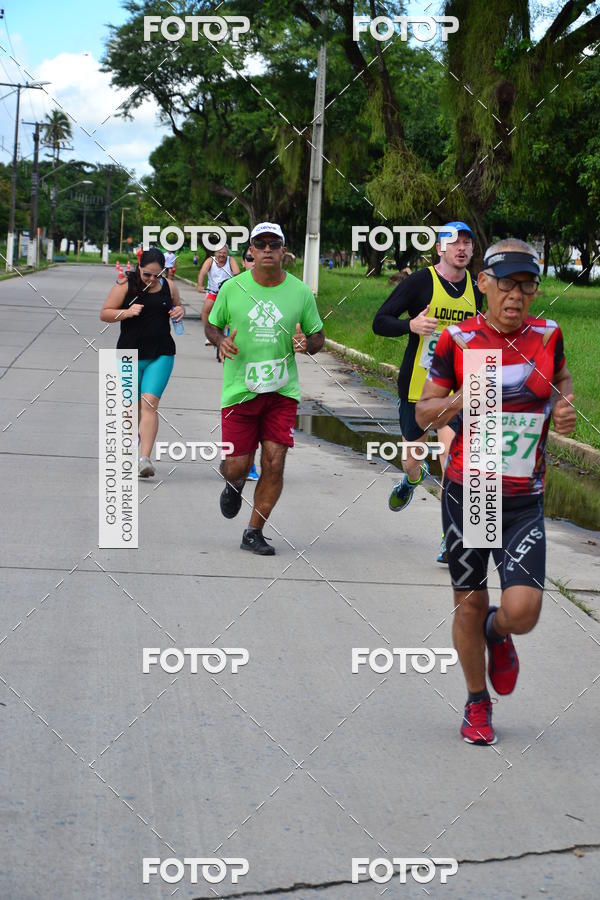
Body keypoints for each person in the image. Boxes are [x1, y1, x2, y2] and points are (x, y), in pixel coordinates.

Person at [416, 238, 577, 745]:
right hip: (471, 492)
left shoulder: (548, 335)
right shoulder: (456, 340)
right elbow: (423, 413)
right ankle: (476, 702)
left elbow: (562, 383)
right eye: (506, 285)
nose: (516, 297)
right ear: (483, 283)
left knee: (523, 611)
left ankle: (498, 633)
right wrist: (457, 401)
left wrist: (565, 408)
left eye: (527, 287)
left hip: (525, 497)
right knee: (468, 601)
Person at [205, 222, 325, 555]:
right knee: (239, 465)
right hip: (239, 392)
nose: (269, 249)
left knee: (274, 462)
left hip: (281, 393)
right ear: (252, 252)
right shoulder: (233, 288)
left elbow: (317, 335)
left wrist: (307, 343)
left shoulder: (300, 292)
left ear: (284, 252)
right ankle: (233, 481)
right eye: (262, 244)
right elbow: (212, 323)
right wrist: (220, 340)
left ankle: (253, 531)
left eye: (275, 244)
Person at [372, 222, 483, 563]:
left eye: (467, 243)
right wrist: (411, 325)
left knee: (454, 461)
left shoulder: (478, 291)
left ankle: (451, 539)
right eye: (454, 242)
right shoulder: (420, 282)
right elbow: (380, 321)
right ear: (440, 248)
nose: (461, 248)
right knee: (412, 460)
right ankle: (411, 481)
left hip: (457, 391)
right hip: (418, 388)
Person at [100, 248, 184, 477]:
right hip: (129, 354)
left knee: (149, 404)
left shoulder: (169, 286)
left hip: (162, 354)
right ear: (139, 266)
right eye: (147, 274)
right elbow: (105, 313)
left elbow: (176, 306)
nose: (151, 279)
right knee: (130, 408)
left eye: (157, 275)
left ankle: (144, 459)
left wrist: (179, 311)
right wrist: (126, 313)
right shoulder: (124, 286)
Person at [239, 246, 259, 480]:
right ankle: (237, 459)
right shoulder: (234, 288)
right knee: (243, 417)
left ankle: (251, 464)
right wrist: (222, 341)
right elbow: (217, 323)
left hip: (273, 368)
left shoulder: (282, 289)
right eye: (249, 259)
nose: (253, 262)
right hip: (240, 365)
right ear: (243, 262)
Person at [198, 245, 240, 348]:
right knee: (206, 309)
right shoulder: (210, 261)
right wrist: (199, 285)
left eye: (224, 253)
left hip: (227, 292)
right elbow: (202, 273)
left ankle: (227, 333)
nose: (221, 255)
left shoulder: (231, 260)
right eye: (219, 252)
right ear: (215, 253)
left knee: (230, 312)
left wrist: (234, 278)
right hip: (213, 291)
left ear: (227, 254)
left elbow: (237, 272)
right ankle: (208, 333)